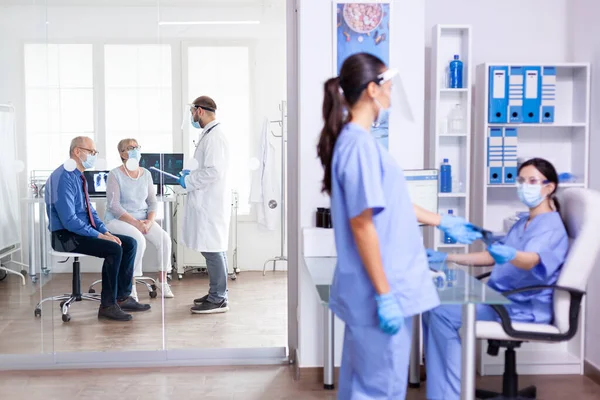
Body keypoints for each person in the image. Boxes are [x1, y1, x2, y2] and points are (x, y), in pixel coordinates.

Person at [316, 53, 482, 400]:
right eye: (388, 85)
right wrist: (385, 295)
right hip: (380, 291)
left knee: (362, 385)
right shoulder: (359, 145)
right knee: (378, 390)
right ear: (372, 90)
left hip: (378, 288)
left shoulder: (358, 142)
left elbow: (390, 202)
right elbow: (363, 226)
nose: (392, 92)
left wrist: (442, 220)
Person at [424, 157, 569, 400]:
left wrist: (513, 255)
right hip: (499, 299)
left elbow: (532, 260)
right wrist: (446, 256)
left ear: (549, 187)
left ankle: (451, 395)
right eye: (521, 181)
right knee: (431, 305)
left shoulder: (551, 228)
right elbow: (491, 256)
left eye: (532, 181)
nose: (525, 186)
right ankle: (446, 390)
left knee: (439, 311)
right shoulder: (524, 221)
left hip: (520, 307)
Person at [45, 136, 151, 322]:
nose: (94, 156)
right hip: (65, 236)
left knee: (130, 243)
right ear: (77, 152)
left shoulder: (78, 176)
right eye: (91, 152)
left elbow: (90, 211)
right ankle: (107, 305)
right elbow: (69, 221)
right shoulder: (63, 177)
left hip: (78, 231)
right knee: (113, 248)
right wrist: (100, 236)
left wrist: (106, 232)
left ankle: (122, 297)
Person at [104, 138, 174, 301]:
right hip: (118, 219)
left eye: (137, 147)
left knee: (164, 239)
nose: (135, 150)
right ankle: (131, 286)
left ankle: (162, 281)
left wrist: (149, 221)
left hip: (143, 219)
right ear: (122, 153)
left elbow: (152, 202)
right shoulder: (115, 175)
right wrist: (136, 224)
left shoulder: (146, 174)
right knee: (138, 241)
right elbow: (114, 206)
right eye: (130, 148)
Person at [179, 96, 231, 314]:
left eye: (192, 113)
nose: (192, 117)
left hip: (211, 203)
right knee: (212, 249)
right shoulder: (209, 134)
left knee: (213, 250)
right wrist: (191, 174)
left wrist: (189, 180)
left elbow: (214, 171)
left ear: (199, 111)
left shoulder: (215, 137)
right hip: (207, 202)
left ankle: (218, 297)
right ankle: (215, 292)